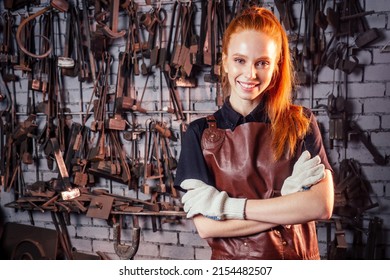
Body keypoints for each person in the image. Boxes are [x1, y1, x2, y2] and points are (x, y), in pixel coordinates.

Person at [174, 7, 334, 260]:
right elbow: (207, 227)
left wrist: (226, 208)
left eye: (262, 63)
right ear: (225, 61)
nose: (250, 74)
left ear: (275, 67)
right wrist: (289, 204)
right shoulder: (199, 133)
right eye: (240, 60)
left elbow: (321, 206)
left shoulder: (301, 122)